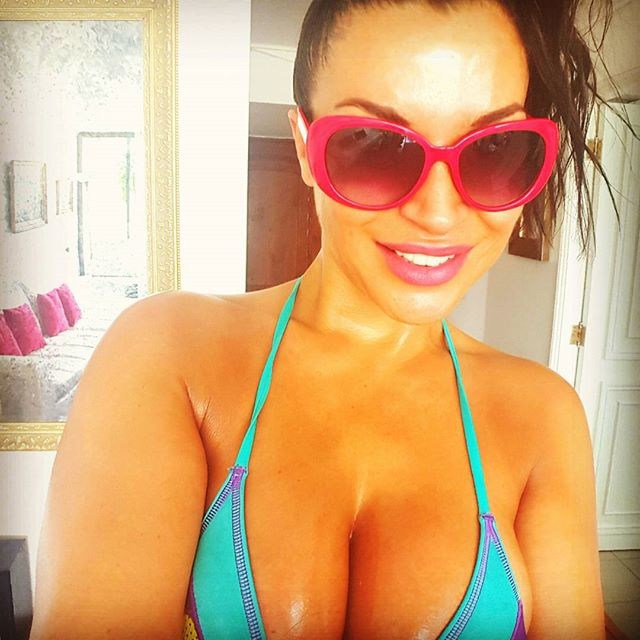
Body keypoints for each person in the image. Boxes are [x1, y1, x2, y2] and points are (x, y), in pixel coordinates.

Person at [30, 0, 614, 638]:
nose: (438, 213)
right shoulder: (167, 354)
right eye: (376, 144)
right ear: (305, 147)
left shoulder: (544, 416)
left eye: (494, 148)